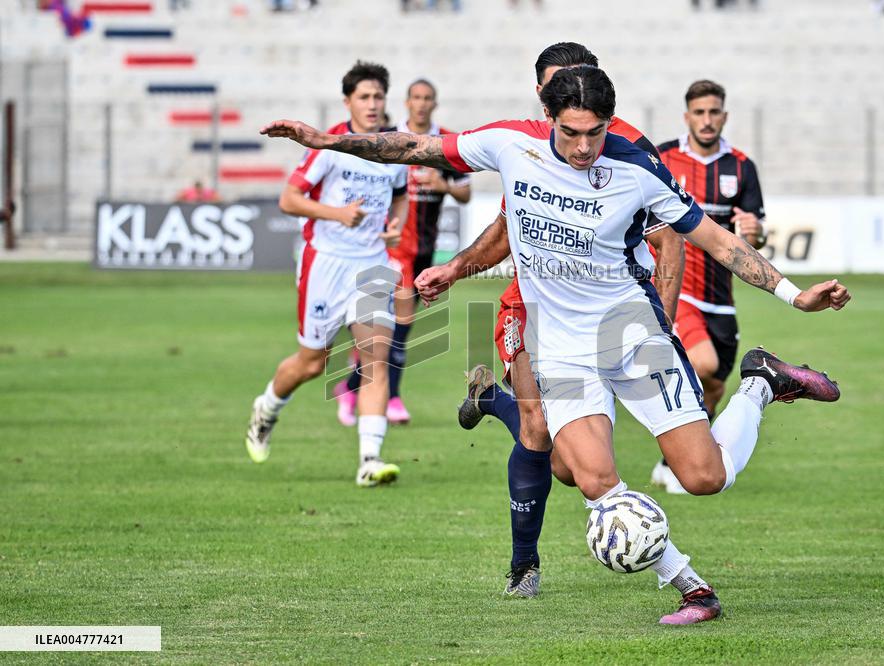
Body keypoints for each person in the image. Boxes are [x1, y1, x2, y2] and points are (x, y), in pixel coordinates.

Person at [261, 65, 850, 625]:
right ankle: (693, 587)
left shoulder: (638, 166)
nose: (584, 147)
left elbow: (717, 241)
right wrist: (326, 142)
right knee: (592, 479)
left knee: (704, 477)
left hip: (631, 335)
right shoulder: (510, 144)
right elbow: (414, 147)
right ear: (547, 116)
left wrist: (794, 295)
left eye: (595, 133)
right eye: (571, 133)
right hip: (563, 349)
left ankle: (760, 382)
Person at [412, 42, 687, 602]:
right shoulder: (528, 150)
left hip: (603, 318)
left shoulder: (624, 150)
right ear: (542, 95)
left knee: (566, 468)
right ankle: (524, 566)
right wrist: (457, 268)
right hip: (528, 305)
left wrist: (662, 324)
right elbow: (503, 229)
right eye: (553, 86)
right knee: (537, 429)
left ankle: (492, 400)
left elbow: (669, 240)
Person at [245, 61, 407, 488]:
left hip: (372, 263)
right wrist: (336, 213)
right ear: (348, 102)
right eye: (364, 97)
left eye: (378, 97)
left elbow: (401, 196)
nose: (372, 104)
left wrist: (396, 225)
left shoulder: (393, 148)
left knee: (375, 358)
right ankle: (266, 408)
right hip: (326, 262)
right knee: (312, 363)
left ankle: (369, 460)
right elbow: (289, 199)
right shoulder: (329, 146)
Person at [651, 80, 767, 494]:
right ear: (687, 116)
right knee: (702, 364)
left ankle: (670, 463)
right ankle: (684, 461)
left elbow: (754, 237)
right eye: (699, 112)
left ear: (724, 116)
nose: (706, 120)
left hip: (720, 298)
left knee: (715, 385)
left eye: (714, 112)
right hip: (677, 289)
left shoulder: (741, 167)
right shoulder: (662, 157)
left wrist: (754, 234)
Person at [335, 79, 471, 426]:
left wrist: (442, 186)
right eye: (416, 98)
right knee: (398, 322)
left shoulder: (446, 143)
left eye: (428, 98)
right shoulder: (389, 139)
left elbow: (466, 193)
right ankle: (391, 396)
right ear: (407, 102)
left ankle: (351, 385)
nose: (421, 103)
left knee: (396, 326)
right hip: (393, 244)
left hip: (425, 245)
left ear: (434, 103)